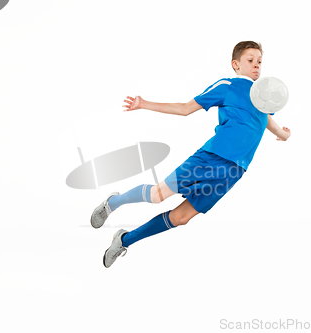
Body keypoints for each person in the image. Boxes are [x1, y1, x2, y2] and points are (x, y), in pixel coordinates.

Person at [91, 41, 291, 268]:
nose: (256, 66)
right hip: (211, 157)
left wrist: (284, 135)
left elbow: (266, 121)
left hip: (234, 171)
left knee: (181, 218)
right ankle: (112, 202)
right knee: (157, 196)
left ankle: (124, 240)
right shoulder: (228, 86)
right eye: (251, 60)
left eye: (260, 62)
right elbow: (185, 108)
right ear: (236, 64)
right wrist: (144, 103)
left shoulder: (263, 96)